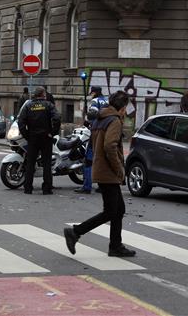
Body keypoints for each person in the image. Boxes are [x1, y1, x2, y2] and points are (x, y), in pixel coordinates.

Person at [64, 91, 136, 257]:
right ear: (123, 107)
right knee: (112, 211)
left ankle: (115, 246)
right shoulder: (115, 121)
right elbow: (110, 146)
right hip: (108, 171)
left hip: (100, 167)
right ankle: (75, 232)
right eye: (126, 107)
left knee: (118, 209)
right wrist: (119, 169)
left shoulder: (101, 118)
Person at [17, 86, 61, 195]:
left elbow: (21, 122)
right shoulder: (48, 105)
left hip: (33, 138)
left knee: (30, 163)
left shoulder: (28, 106)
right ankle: (47, 188)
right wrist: (53, 132)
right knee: (46, 164)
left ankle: (28, 188)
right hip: (46, 137)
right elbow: (57, 118)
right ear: (43, 94)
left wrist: (27, 135)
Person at [74, 85, 108, 194]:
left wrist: (87, 122)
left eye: (92, 93)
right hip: (107, 133)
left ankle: (87, 186)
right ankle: (102, 186)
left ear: (94, 93)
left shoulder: (95, 101)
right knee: (102, 161)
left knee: (88, 161)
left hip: (96, 133)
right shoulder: (107, 101)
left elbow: (92, 116)